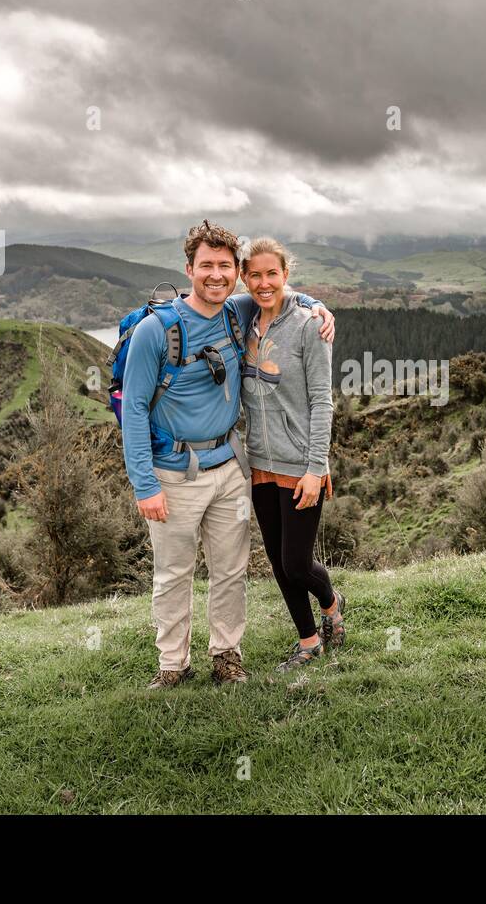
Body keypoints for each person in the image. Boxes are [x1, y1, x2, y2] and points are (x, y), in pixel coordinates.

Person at [121, 220, 334, 688]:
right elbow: (133, 409)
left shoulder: (235, 311)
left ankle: (227, 656)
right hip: (172, 474)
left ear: (235, 271)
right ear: (188, 269)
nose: (216, 275)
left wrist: (316, 304)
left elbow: (276, 292)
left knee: (231, 572)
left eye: (224, 266)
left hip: (231, 468)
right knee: (174, 574)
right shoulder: (156, 331)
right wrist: (144, 483)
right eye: (206, 266)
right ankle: (173, 664)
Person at [239, 237, 345, 674]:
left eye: (273, 274)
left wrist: (315, 469)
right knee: (278, 565)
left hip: (300, 465)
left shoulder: (309, 326)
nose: (264, 283)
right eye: (256, 275)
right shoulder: (242, 320)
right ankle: (308, 642)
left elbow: (323, 402)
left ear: (286, 274)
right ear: (245, 278)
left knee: (296, 563)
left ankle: (332, 601)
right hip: (259, 463)